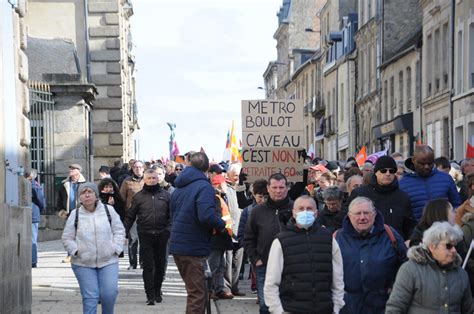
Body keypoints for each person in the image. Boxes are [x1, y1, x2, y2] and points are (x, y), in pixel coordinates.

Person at [264, 195, 345, 313]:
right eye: (301, 209)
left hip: (324, 308)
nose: (305, 212)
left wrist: (336, 306)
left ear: (316, 213)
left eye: (309, 208)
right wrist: (277, 310)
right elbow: (271, 281)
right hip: (292, 309)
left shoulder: (328, 238)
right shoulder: (281, 241)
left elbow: (337, 278)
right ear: (294, 212)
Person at [169, 152, 225, 313]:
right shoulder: (204, 187)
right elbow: (206, 216)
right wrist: (222, 224)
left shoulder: (180, 187)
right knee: (198, 294)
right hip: (193, 246)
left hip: (180, 245)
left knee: (195, 291)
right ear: (207, 168)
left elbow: (172, 214)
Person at [335, 197, 407, 313]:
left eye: (366, 213)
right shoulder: (337, 238)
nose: (362, 217)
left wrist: (394, 288)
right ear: (349, 216)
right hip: (349, 307)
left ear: (374, 214)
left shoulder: (390, 235)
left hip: (384, 306)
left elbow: (405, 265)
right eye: (358, 213)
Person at [61, 182, 125, 314]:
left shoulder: (108, 210)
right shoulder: (75, 214)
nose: (87, 195)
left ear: (96, 196)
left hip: (108, 260)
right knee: (90, 297)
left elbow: (119, 230)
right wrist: (76, 251)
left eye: (90, 192)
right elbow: (67, 237)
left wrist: (116, 248)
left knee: (109, 294)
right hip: (83, 262)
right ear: (80, 198)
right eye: (83, 193)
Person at [386, 222, 473, 313]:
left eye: (454, 246)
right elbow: (395, 308)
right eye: (448, 246)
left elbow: (468, 310)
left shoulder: (461, 275)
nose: (454, 250)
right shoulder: (410, 270)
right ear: (432, 247)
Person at [244, 173, 293, 314]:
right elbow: (248, 237)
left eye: (281, 187)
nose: (278, 191)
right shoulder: (257, 211)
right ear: (268, 188)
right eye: (275, 187)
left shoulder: (296, 208)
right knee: (266, 306)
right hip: (264, 265)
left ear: (287, 188)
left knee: (287, 306)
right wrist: (256, 259)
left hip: (291, 267)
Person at [124, 168, 171, 305]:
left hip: (162, 235)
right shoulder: (138, 197)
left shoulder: (166, 196)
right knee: (148, 265)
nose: (152, 180)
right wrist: (123, 231)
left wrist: (168, 231)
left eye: (154, 178)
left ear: (158, 179)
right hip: (145, 235)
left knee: (160, 265)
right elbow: (130, 216)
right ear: (145, 179)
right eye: (149, 178)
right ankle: (150, 294)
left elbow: (171, 216)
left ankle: (157, 290)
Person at [348, 155, 416, 240]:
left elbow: (409, 225)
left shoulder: (402, 197)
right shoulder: (360, 193)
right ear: (376, 172)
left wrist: (410, 241)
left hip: (395, 246)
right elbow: (345, 220)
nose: (388, 174)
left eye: (392, 171)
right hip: (366, 245)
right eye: (383, 170)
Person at [400, 145, 461, 221]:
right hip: (416, 230)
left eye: (430, 163)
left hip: (444, 229)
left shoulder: (446, 179)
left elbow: (457, 205)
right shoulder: (403, 184)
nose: (426, 167)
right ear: (413, 160)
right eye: (422, 163)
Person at [237, 179, 268, 295]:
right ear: (254, 195)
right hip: (256, 254)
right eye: (260, 196)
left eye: (265, 196)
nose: (262, 200)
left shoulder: (274, 210)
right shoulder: (248, 211)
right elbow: (241, 235)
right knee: (260, 281)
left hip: (272, 252)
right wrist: (251, 252)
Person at [208, 173, 234, 300]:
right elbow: (217, 218)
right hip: (217, 237)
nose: (226, 185)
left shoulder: (218, 197)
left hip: (221, 238)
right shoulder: (215, 198)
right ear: (219, 184)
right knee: (213, 266)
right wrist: (223, 229)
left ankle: (218, 289)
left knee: (220, 265)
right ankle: (209, 290)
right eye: (224, 183)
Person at [223, 163, 246, 297]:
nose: (237, 178)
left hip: (242, 231)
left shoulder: (245, 189)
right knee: (228, 261)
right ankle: (227, 288)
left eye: (239, 175)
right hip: (229, 231)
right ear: (229, 175)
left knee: (239, 263)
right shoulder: (226, 189)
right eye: (235, 175)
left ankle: (235, 287)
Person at [120, 160, 145, 270]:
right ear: (132, 169)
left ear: (143, 168)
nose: (138, 169)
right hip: (133, 215)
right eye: (136, 167)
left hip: (146, 215)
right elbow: (121, 198)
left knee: (145, 240)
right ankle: (132, 263)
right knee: (133, 240)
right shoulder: (127, 182)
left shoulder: (148, 180)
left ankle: (144, 263)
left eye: (140, 167)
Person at [25, 169, 45, 268]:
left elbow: (41, 200)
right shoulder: (33, 185)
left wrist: (39, 209)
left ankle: (33, 261)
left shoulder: (34, 186)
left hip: (33, 215)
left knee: (32, 240)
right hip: (32, 214)